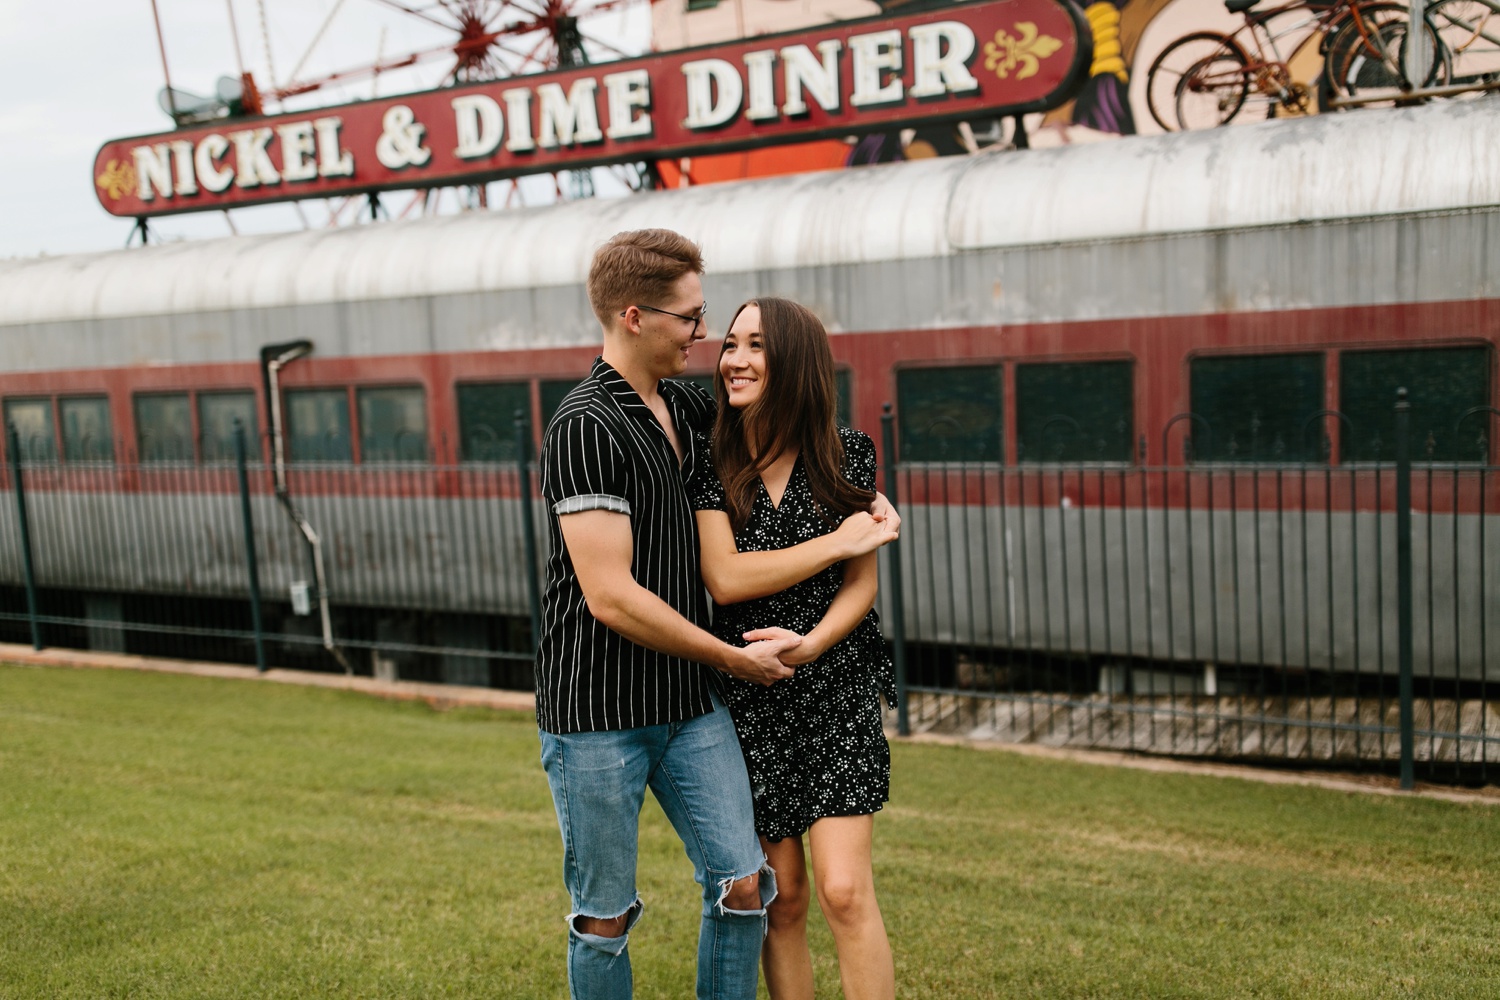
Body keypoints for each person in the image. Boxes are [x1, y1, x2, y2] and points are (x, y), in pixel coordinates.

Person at [535, 229, 899, 1000]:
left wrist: (869, 508)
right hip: (602, 707)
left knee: (746, 887)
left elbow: (782, 419)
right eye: (695, 321)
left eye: (720, 327)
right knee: (604, 917)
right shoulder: (587, 426)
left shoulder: (686, 409)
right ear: (636, 317)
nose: (709, 341)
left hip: (692, 701)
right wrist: (735, 653)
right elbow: (612, 595)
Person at [688, 297, 899, 1000]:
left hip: (837, 688)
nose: (734, 360)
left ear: (795, 361)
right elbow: (725, 577)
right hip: (752, 697)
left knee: (845, 890)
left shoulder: (849, 453)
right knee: (785, 900)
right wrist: (836, 543)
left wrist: (810, 644)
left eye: (756, 346)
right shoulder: (712, 458)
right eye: (730, 344)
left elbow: (861, 586)